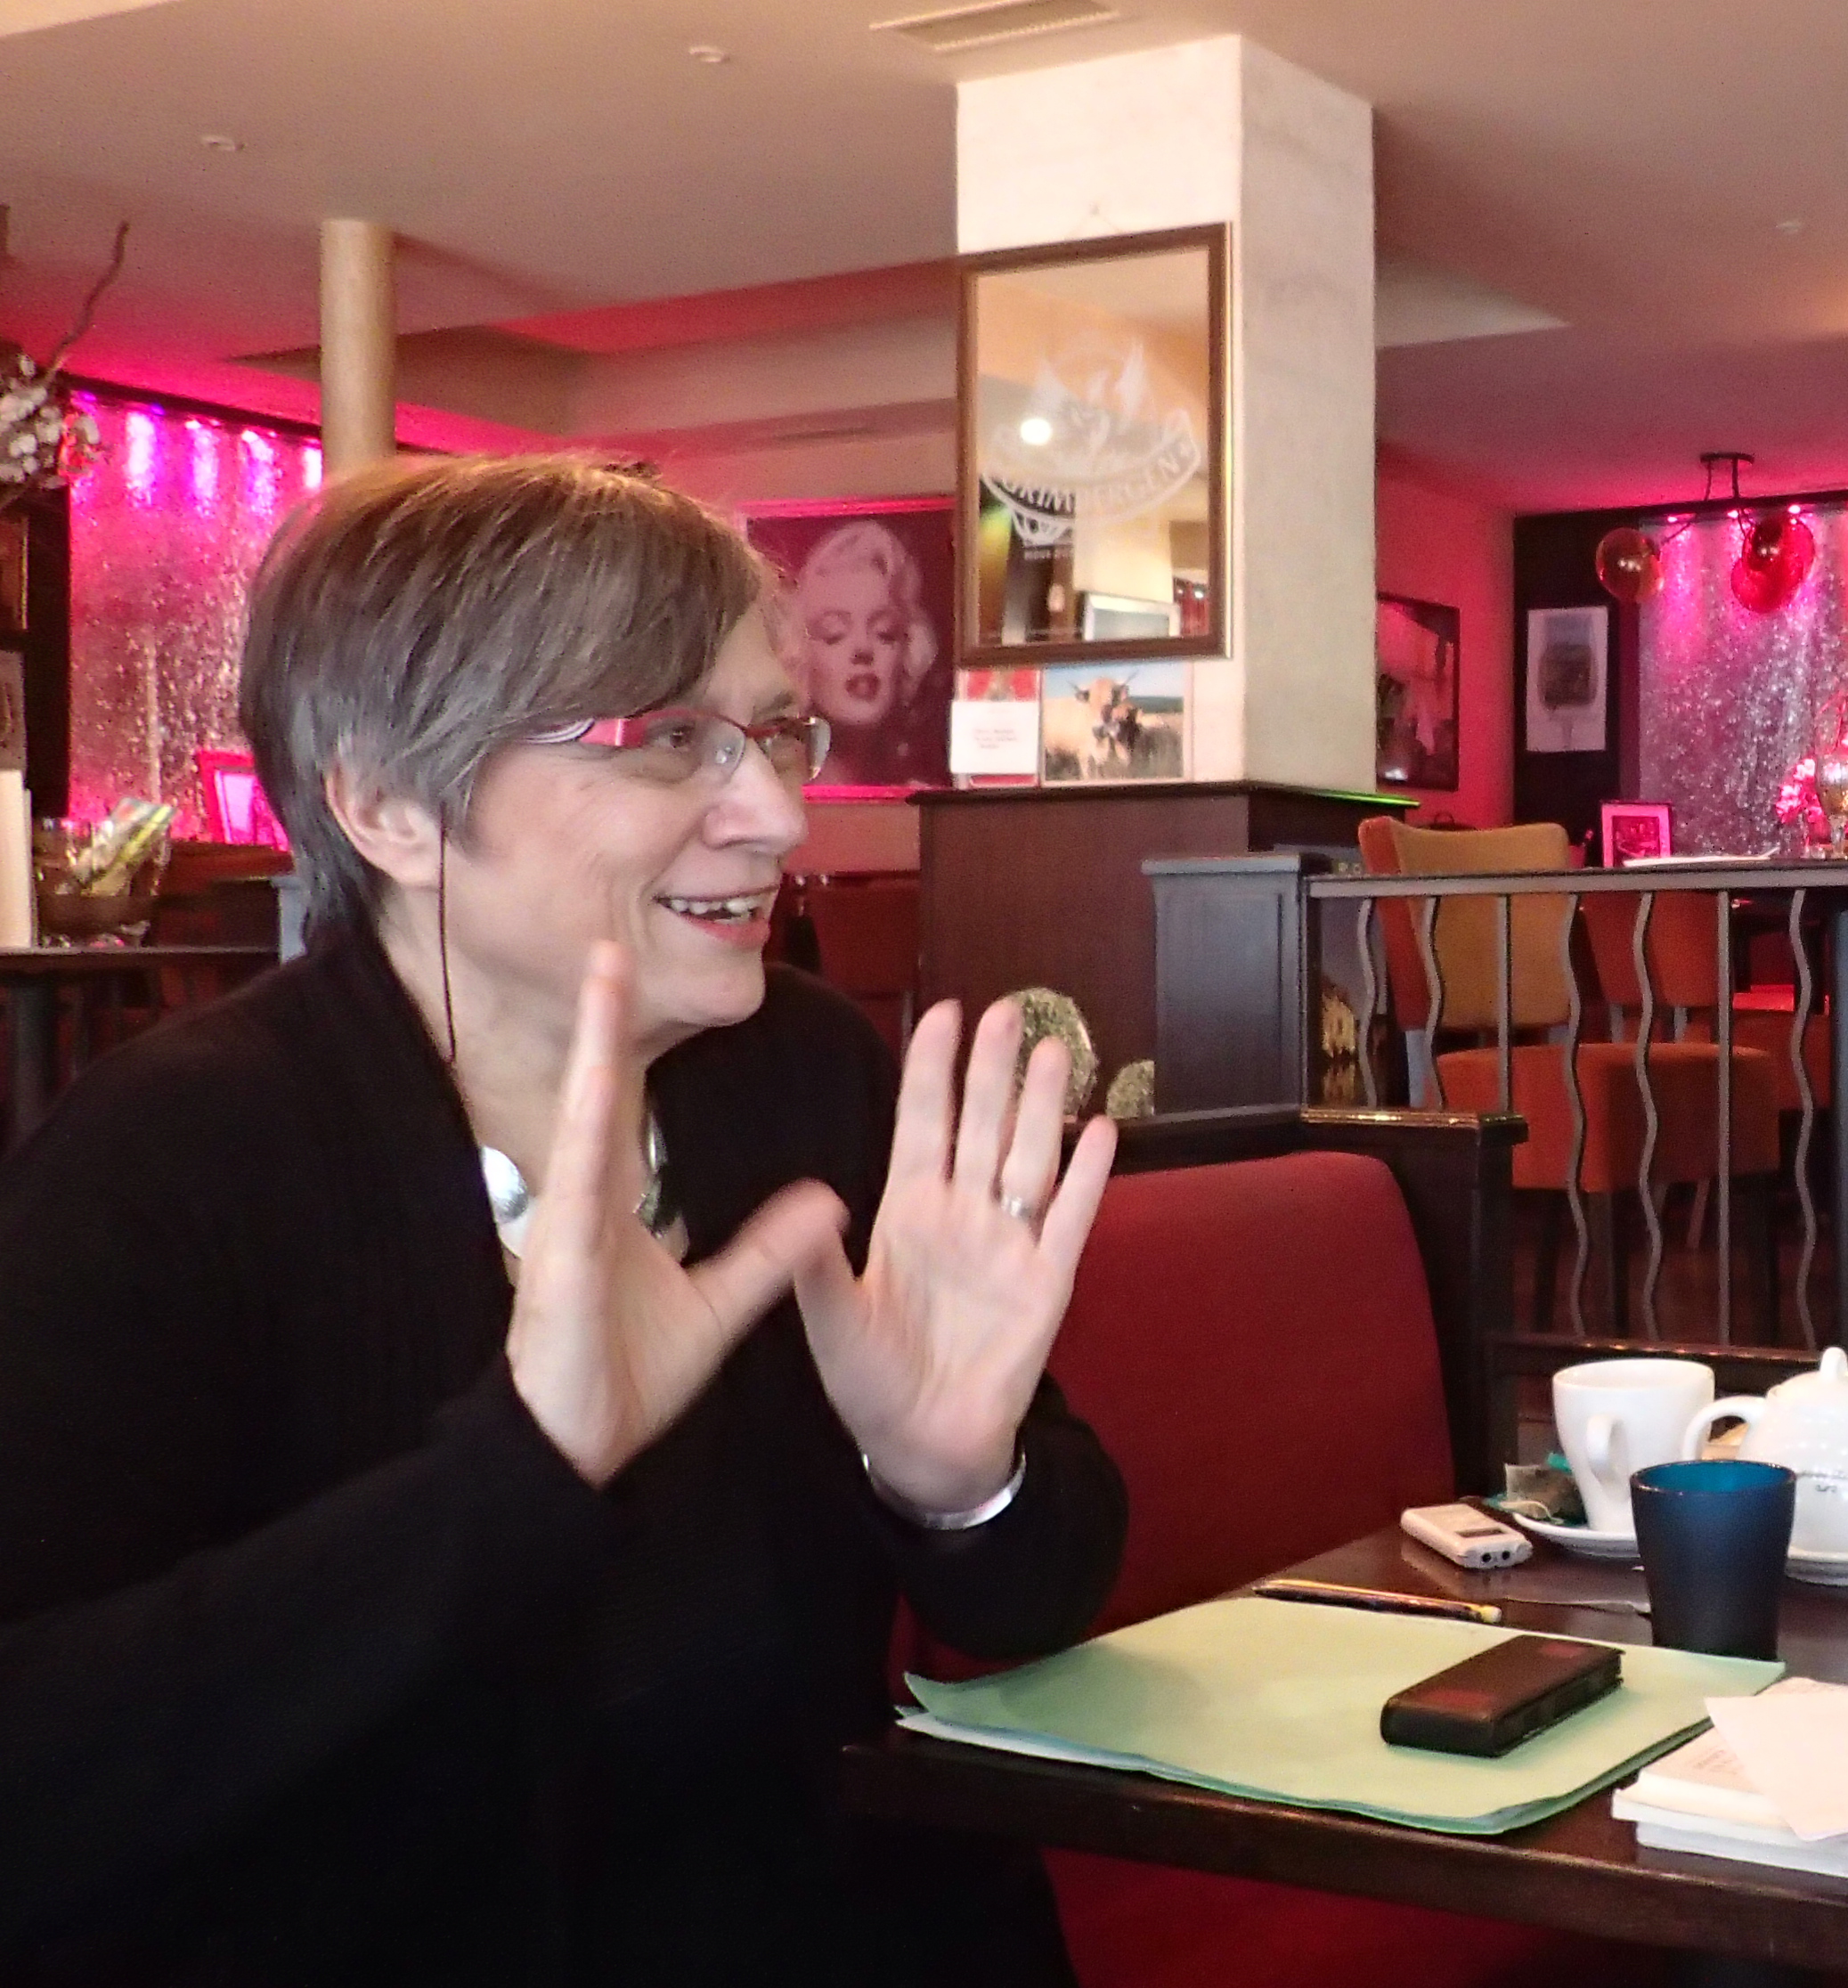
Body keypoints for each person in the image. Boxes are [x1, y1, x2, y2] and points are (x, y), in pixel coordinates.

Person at [0, 455, 1130, 1984]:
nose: (776, 813)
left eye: (774, 734)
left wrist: (952, 1485)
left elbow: (1039, 1588)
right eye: (669, 739)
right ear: (391, 803)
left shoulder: (799, 1072)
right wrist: (516, 1474)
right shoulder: (175, 1160)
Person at [788, 516, 948, 786]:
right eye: (834, 634)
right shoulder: (776, 798)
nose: (863, 649)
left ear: (909, 651)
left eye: (885, 633)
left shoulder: (921, 799)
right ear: (800, 656)